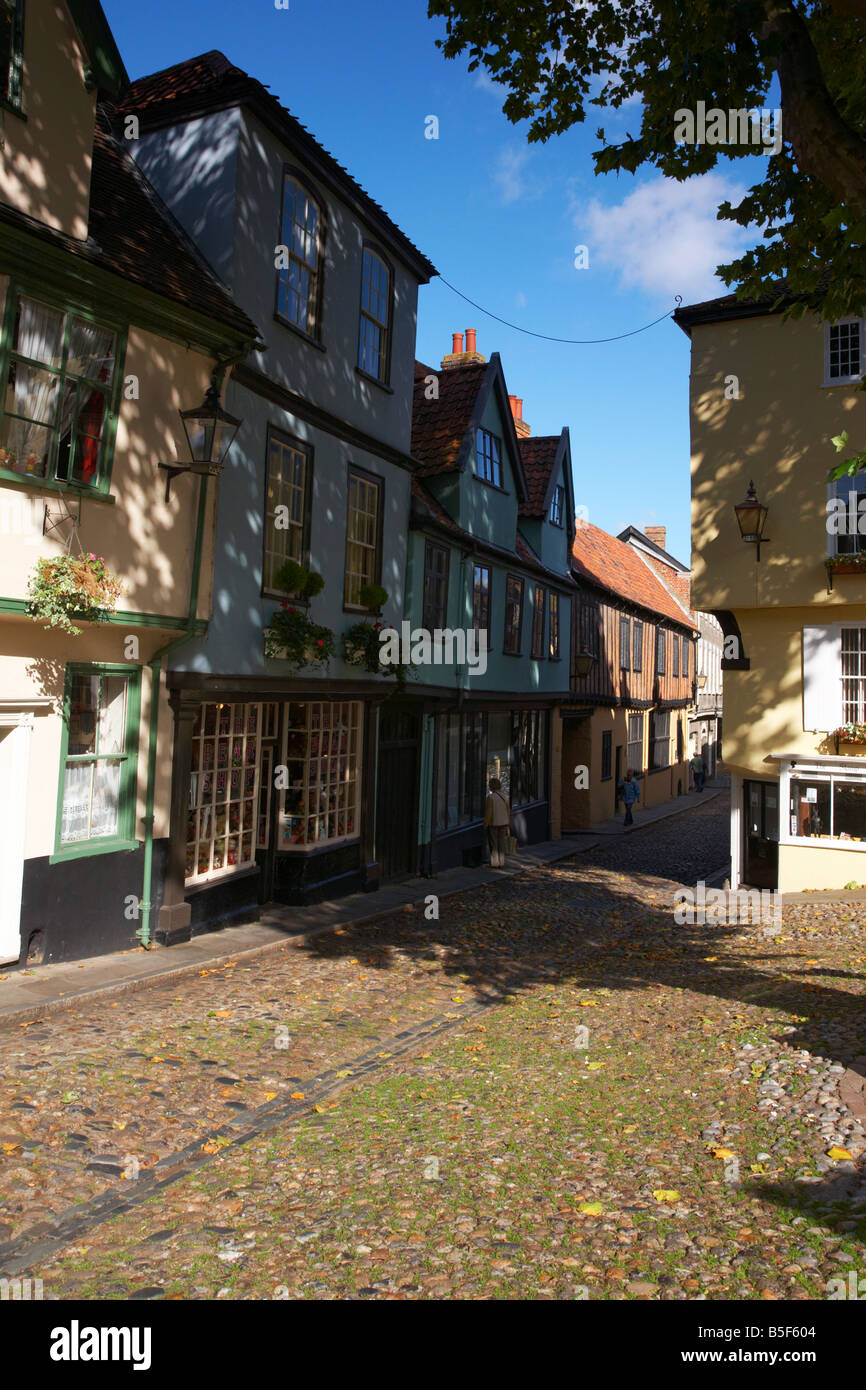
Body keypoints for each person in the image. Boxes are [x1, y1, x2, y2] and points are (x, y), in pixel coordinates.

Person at [483, 777, 511, 867]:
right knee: (501, 843)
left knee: (493, 844)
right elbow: (508, 811)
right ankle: (501, 863)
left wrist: (485, 823)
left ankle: (495, 863)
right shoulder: (506, 797)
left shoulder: (491, 798)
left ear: (491, 786)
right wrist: (508, 823)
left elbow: (489, 812)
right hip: (504, 823)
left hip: (494, 823)